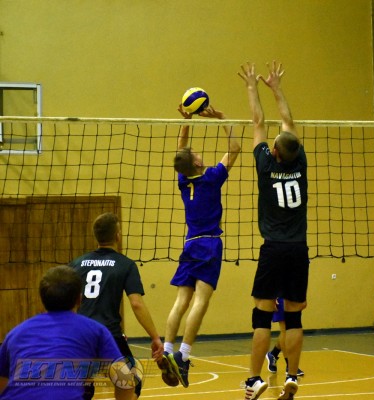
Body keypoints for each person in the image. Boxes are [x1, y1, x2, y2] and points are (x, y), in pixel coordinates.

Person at [238, 61, 309, 400]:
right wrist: (277, 88)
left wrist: (252, 87)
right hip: (298, 249)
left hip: (273, 249)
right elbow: (287, 122)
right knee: (293, 319)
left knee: (261, 316)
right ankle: (292, 375)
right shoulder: (301, 162)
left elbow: (258, 122)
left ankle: (254, 380)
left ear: (275, 151)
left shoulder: (265, 164)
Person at [158, 104, 241, 388]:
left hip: (189, 244)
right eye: (195, 154)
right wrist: (222, 117)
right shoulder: (212, 178)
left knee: (181, 301)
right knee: (201, 301)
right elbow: (235, 148)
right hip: (209, 244)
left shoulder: (184, 181)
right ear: (195, 163)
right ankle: (183, 355)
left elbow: (180, 150)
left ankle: (167, 349)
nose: (197, 153)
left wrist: (187, 121)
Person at [0, 265, 132, 400]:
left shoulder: (15, 333)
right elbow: (125, 380)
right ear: (79, 299)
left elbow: (2, 382)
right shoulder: (95, 330)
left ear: (42, 299)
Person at [70, 212, 163, 399]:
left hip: (80, 334)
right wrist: (155, 337)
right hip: (108, 334)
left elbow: (69, 302)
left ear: (96, 236)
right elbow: (136, 303)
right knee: (131, 383)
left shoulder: (76, 264)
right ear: (117, 236)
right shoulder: (125, 264)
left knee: (83, 387)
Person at [265, 298, 305, 376]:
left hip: (293, 296)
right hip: (280, 296)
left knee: (293, 328)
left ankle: (273, 353)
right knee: (285, 329)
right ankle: (289, 365)